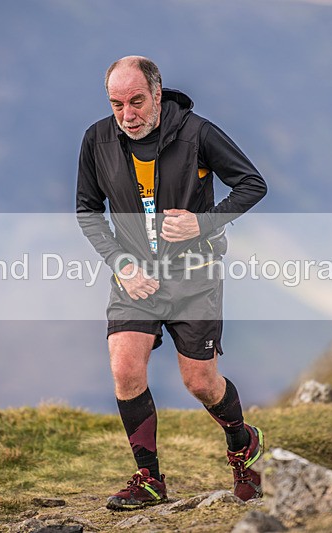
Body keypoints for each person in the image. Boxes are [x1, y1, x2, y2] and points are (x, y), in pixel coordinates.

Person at [76, 56, 267, 511]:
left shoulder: (198, 133)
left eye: (137, 101)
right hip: (134, 277)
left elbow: (251, 184)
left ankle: (244, 444)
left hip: (193, 277)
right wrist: (120, 262)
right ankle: (149, 479)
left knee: (200, 382)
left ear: (157, 94)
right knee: (124, 367)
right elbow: (87, 208)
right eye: (117, 104)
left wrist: (203, 223)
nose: (128, 115)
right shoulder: (97, 140)